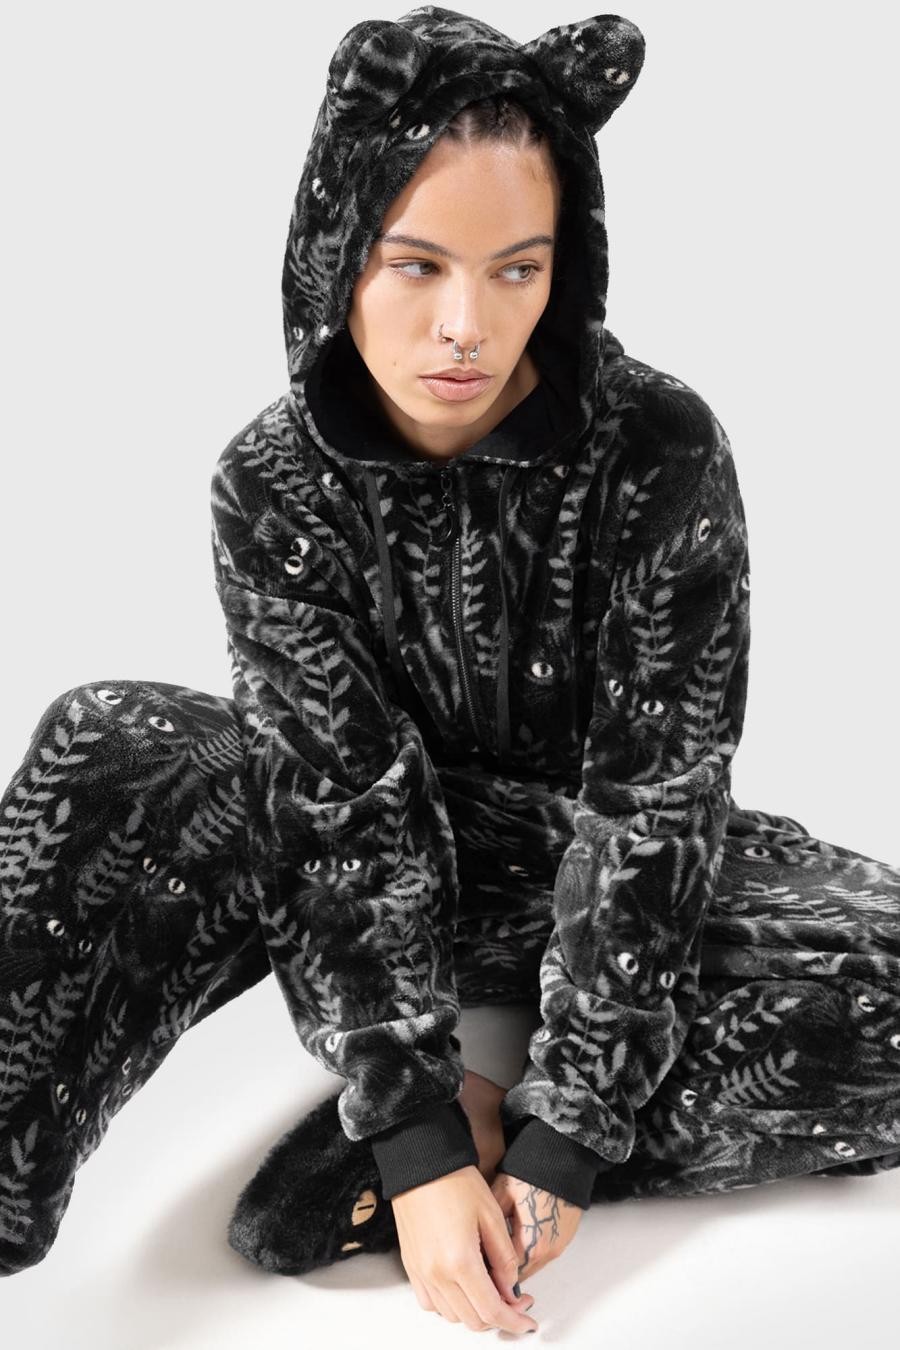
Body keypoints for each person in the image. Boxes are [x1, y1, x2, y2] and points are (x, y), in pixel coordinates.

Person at [1, 5, 898, 1338]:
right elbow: (337, 805)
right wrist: (408, 1108)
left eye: (517, 269)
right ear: (335, 254)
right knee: (124, 739)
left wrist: (564, 1133)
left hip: (565, 863)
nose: (467, 326)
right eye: (415, 266)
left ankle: (442, 1133)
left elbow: (655, 801)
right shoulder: (271, 481)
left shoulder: (658, 449)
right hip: (349, 857)